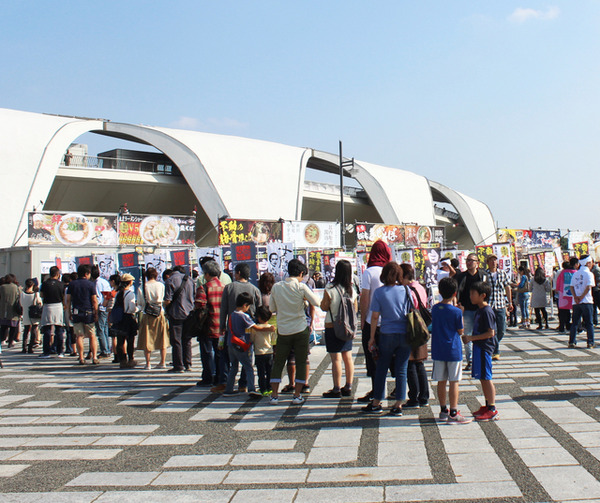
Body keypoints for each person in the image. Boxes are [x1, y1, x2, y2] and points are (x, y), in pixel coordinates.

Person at [362, 262, 412, 416]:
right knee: (401, 369)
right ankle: (398, 404)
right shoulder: (405, 289)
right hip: (404, 333)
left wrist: (371, 338)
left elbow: (375, 316)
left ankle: (377, 402)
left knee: (381, 368)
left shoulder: (379, 292)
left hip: (386, 334)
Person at [269, 259, 321, 405]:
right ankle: (297, 395)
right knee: (301, 361)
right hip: (300, 329)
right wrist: (304, 300)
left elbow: (272, 308)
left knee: (278, 362)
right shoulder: (301, 287)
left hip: (283, 330)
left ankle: (274, 395)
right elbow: (317, 302)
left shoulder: (276, 287)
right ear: (300, 273)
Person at [214, 263, 261, 393]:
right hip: (248, 331)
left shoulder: (229, 288)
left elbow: (223, 309)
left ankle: (228, 386)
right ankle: (244, 384)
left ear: (238, 273)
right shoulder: (254, 289)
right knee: (247, 360)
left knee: (232, 362)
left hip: (232, 329)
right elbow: (259, 309)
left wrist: (222, 326)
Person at [431, 277, 470, 423]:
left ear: (439, 292)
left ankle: (443, 410)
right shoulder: (456, 312)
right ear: (455, 293)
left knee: (441, 380)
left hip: (438, 349)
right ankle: (453, 412)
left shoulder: (435, 308)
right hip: (453, 349)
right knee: (454, 381)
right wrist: (461, 311)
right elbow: (460, 331)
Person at [358, 240, 392, 402]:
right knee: (391, 356)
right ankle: (398, 390)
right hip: (390, 321)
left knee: (372, 356)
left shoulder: (369, 272)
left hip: (372, 321)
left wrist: (362, 319)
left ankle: (377, 390)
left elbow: (365, 297)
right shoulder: (390, 270)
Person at [223, 292, 273, 398]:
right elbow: (256, 328)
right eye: (248, 306)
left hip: (231, 344)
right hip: (241, 345)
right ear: (245, 305)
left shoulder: (232, 314)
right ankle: (251, 389)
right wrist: (269, 328)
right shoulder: (244, 316)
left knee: (234, 367)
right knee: (248, 367)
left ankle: (228, 389)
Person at [320, 259, 357, 398]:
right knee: (348, 356)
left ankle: (336, 388)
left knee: (335, 358)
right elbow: (355, 309)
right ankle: (348, 386)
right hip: (347, 327)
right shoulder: (352, 290)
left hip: (332, 325)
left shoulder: (330, 288)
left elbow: (324, 307)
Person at [463, 281, 499, 422]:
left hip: (484, 347)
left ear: (483, 295)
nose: (471, 296)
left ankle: (492, 408)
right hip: (479, 346)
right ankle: (487, 405)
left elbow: (491, 333)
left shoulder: (487, 311)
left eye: (473, 293)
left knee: (486, 377)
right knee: (482, 377)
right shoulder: (480, 309)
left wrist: (471, 338)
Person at [401, 263, 429, 408]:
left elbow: (406, 310)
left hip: (411, 327)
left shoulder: (407, 290)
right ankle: (424, 397)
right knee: (419, 362)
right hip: (422, 327)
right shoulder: (420, 287)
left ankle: (414, 398)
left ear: (405, 276)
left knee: (411, 362)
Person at [195, 260, 225, 386]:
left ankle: (208, 377)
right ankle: (220, 377)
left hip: (208, 326)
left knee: (207, 353)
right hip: (222, 327)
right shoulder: (225, 287)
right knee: (220, 354)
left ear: (207, 274)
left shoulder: (204, 288)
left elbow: (199, 307)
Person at [455, 253, 486, 371]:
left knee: (481, 334)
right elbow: (457, 292)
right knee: (467, 335)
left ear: (477, 263)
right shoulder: (461, 276)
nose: (469, 262)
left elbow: (487, 290)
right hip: (466, 310)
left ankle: (480, 358)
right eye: (467, 260)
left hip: (480, 310)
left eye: (471, 260)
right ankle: (471, 360)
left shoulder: (483, 275)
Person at [65, 264, 99, 365]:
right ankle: (94, 357)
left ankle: (81, 357)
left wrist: (69, 312)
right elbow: (94, 300)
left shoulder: (72, 284)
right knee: (92, 335)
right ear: (86, 274)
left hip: (76, 312)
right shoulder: (90, 284)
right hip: (88, 312)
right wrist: (96, 313)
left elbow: (68, 300)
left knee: (79, 335)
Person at [164, 265, 195, 373]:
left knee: (176, 340)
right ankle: (188, 363)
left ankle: (178, 365)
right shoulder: (190, 279)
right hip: (189, 313)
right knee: (187, 340)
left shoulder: (170, 280)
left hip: (176, 313)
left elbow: (167, 300)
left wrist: (165, 308)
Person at [137, 268, 169, 370]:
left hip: (147, 313)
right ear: (156, 275)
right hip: (160, 312)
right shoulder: (161, 285)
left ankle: (148, 363)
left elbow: (140, 303)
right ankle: (162, 361)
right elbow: (164, 299)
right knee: (162, 337)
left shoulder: (142, 287)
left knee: (147, 338)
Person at [484, 254, 513, 360]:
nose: (493, 262)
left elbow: (507, 287)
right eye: (491, 260)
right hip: (489, 305)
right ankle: (496, 351)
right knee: (492, 329)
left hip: (500, 304)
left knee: (502, 329)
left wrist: (510, 303)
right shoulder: (485, 274)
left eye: (495, 260)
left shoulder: (502, 273)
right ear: (487, 262)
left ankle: (493, 345)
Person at [569, 255, 596, 348]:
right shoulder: (589, 274)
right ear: (588, 263)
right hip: (587, 301)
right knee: (589, 323)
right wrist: (581, 297)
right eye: (591, 262)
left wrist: (576, 297)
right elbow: (589, 287)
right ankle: (590, 342)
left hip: (576, 302)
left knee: (575, 322)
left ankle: (572, 341)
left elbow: (571, 286)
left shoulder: (576, 273)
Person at [39, 267, 65, 358]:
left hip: (48, 306)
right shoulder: (61, 284)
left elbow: (41, 295)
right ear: (58, 274)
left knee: (47, 329)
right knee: (59, 329)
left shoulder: (44, 284)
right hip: (58, 306)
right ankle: (60, 351)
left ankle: (46, 352)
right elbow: (63, 296)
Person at [113, 273, 138, 368]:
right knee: (130, 340)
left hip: (119, 319)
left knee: (120, 340)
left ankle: (122, 360)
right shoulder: (130, 294)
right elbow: (131, 308)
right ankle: (131, 359)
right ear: (130, 282)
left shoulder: (118, 293)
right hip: (128, 318)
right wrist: (137, 308)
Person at [251, 306, 276, 395]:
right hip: (269, 352)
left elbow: (252, 339)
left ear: (259, 317)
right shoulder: (271, 327)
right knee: (269, 371)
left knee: (261, 372)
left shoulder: (255, 328)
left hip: (259, 353)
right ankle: (270, 388)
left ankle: (263, 389)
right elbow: (274, 339)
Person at [91, 265, 112, 358]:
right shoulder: (104, 282)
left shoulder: (96, 283)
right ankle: (107, 348)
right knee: (105, 329)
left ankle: (105, 350)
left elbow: (98, 298)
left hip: (101, 308)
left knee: (100, 330)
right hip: (106, 307)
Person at [554, 259, 577, 333]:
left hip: (563, 294)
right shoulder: (575, 272)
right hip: (574, 294)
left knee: (563, 311)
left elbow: (558, 282)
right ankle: (573, 326)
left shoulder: (562, 272)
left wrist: (557, 289)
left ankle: (562, 327)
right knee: (575, 310)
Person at [21, 279, 42, 354]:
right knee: (33, 331)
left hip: (25, 314)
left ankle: (24, 347)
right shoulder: (36, 294)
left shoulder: (22, 294)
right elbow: (40, 303)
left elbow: (20, 304)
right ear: (33, 285)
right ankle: (30, 347)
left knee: (26, 331)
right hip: (34, 314)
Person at [0, 274, 21, 348]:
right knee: (13, 326)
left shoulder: (2, 287)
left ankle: (2, 340)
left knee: (3, 326)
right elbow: (19, 297)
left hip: (3, 309)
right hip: (13, 309)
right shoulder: (16, 287)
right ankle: (11, 341)